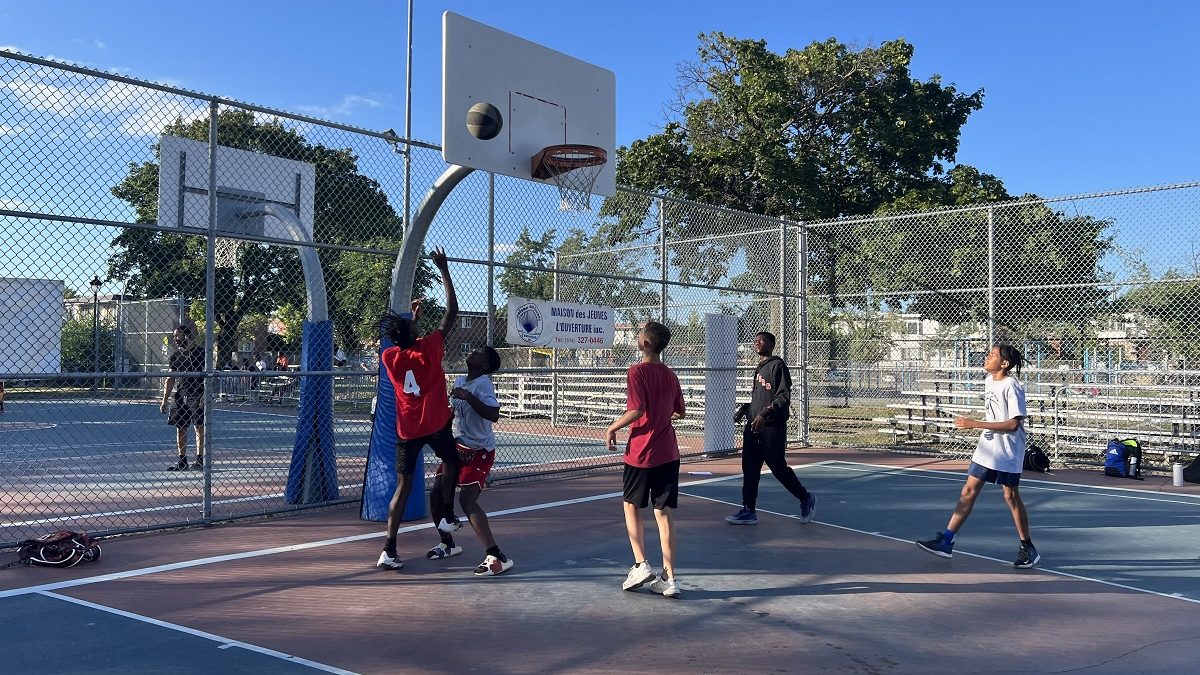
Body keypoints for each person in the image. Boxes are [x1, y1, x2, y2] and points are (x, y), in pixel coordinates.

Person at [375, 246, 461, 571]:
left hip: (407, 431)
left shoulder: (390, 357)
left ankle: (389, 548)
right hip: (436, 425)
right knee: (451, 461)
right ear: (413, 335)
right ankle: (449, 515)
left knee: (404, 486)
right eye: (414, 328)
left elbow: (401, 339)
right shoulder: (429, 350)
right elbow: (452, 312)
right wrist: (444, 269)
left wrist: (409, 322)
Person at [916, 344, 1039, 569]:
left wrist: (974, 424)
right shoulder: (989, 381)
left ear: (1004, 363)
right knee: (968, 490)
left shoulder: (1012, 386)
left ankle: (1027, 547)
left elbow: (1013, 424)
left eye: (992, 356)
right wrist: (979, 426)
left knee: (1010, 497)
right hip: (987, 446)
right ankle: (946, 540)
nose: (987, 358)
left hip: (1008, 450)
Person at [606, 321, 686, 598]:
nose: (638, 337)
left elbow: (637, 410)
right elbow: (680, 411)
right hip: (668, 453)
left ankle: (640, 564)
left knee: (630, 505)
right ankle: (670, 577)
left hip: (641, 452)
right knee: (663, 513)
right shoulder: (671, 374)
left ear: (646, 343)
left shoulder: (637, 371)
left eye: (640, 335)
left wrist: (613, 427)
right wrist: (661, 416)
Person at [426, 346, 514, 576]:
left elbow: (493, 414)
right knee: (436, 495)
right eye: (472, 351)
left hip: (479, 450)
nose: (472, 353)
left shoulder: (483, 384)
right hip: (458, 446)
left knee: (467, 501)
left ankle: (496, 555)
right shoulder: (459, 380)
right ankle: (447, 543)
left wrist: (469, 397)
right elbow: (454, 412)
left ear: (485, 366)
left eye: (478, 353)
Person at [725, 331, 816, 525]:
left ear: (772, 344)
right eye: (755, 340)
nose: (757, 342)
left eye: (762, 340)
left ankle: (805, 497)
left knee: (778, 468)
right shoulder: (759, 368)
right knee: (750, 469)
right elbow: (758, 400)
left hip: (771, 429)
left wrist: (764, 414)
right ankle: (749, 510)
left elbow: (782, 397)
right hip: (753, 427)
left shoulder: (778, 366)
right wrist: (744, 410)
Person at [160, 324, 205, 471]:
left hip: (197, 393)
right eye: (174, 336)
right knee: (180, 427)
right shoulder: (175, 356)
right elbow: (170, 378)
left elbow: (209, 376)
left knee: (198, 426)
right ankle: (182, 460)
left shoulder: (201, 353)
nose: (175, 339)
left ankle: (199, 460)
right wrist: (164, 400)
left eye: (177, 335)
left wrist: (205, 394)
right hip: (180, 394)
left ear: (186, 335)